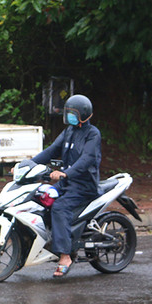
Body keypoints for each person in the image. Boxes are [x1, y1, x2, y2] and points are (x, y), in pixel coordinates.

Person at [31, 93, 101, 279]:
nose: (69, 115)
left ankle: (64, 256)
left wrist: (65, 173)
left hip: (84, 185)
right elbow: (51, 150)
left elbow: (87, 159)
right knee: (42, 197)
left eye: (73, 113)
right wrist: (27, 164)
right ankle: (49, 241)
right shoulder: (69, 131)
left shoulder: (92, 134)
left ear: (83, 114)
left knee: (60, 207)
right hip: (67, 183)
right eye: (68, 112)